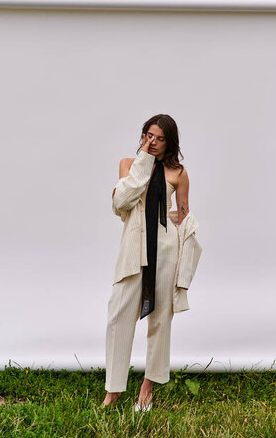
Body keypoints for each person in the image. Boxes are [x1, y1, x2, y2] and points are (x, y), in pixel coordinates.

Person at [102, 114, 201, 412]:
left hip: (166, 250)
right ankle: (113, 391)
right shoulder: (129, 166)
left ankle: (148, 387)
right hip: (134, 249)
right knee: (118, 317)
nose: (153, 142)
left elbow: (184, 217)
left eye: (159, 138)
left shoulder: (178, 173)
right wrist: (144, 159)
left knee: (160, 321)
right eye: (148, 136)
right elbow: (122, 202)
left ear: (170, 141)